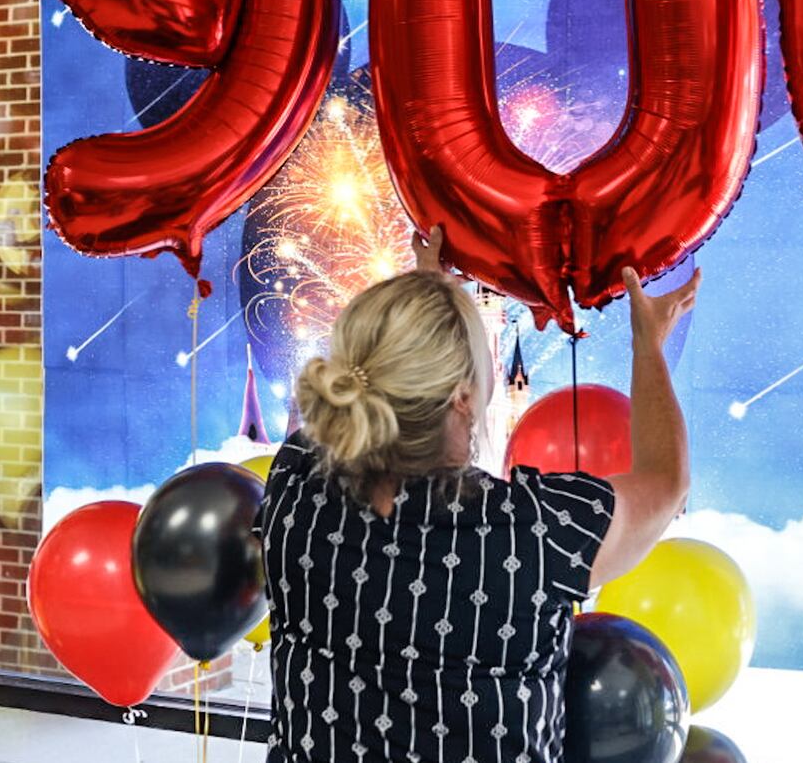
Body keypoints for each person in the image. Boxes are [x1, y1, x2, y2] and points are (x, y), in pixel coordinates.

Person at [260, 226, 699, 763]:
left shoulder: (297, 482)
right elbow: (665, 481)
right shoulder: (537, 534)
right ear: (463, 397)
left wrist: (429, 297)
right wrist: (647, 342)